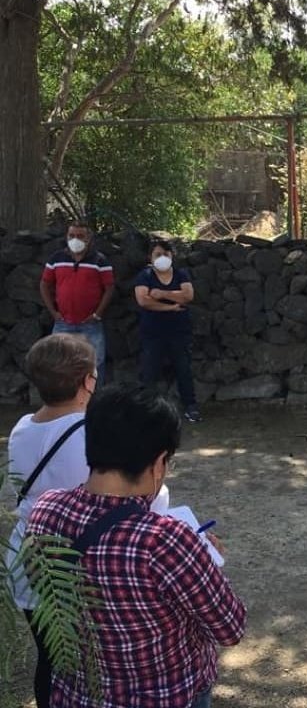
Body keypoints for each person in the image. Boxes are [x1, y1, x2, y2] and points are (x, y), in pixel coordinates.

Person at [26, 383, 247, 708]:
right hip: (166, 695)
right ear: (159, 463)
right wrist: (204, 561)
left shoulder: (46, 510)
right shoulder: (166, 540)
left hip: (79, 694)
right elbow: (230, 627)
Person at [5, 334, 96, 708]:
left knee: (50, 657)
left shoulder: (21, 427)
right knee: (87, 659)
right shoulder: (90, 432)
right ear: (86, 381)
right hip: (73, 562)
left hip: (27, 555)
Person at [40, 220, 115, 383]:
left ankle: (95, 403)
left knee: (95, 364)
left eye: (80, 236)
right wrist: (54, 312)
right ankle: (61, 402)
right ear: (66, 237)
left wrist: (97, 314)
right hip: (63, 322)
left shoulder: (100, 260)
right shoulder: (56, 259)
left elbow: (109, 288)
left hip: (91, 324)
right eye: (72, 235)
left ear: (89, 238)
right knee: (58, 364)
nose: (76, 239)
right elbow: (45, 284)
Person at [135, 240, 201, 422]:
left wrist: (162, 294)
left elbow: (188, 295)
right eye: (158, 254)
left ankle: (191, 406)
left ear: (172, 256)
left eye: (166, 254)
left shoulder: (181, 274)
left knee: (184, 369)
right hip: (152, 332)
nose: (162, 258)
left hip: (179, 331)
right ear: (150, 257)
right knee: (150, 371)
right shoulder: (145, 275)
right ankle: (146, 410)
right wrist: (170, 307)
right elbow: (143, 300)